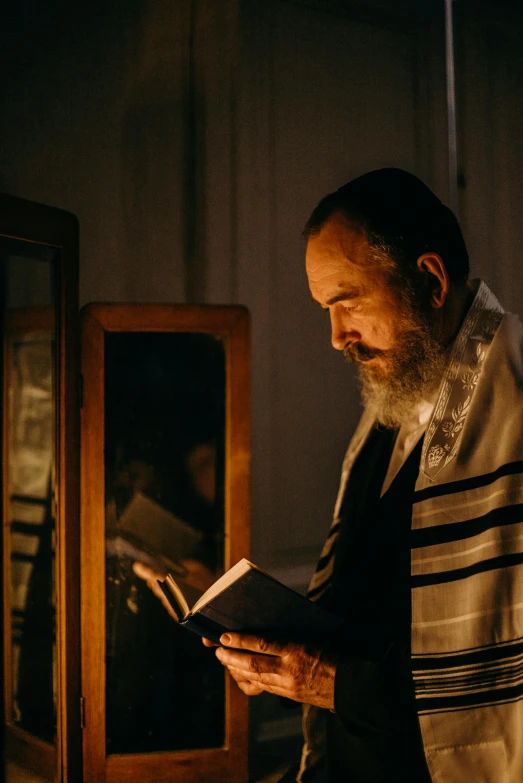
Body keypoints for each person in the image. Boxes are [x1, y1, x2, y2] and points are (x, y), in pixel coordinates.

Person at [208, 168, 523, 782]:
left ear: (430, 279)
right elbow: (368, 598)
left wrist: (333, 682)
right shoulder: (392, 412)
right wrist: (278, 656)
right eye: (325, 309)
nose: (335, 337)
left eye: (347, 302)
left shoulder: (515, 410)